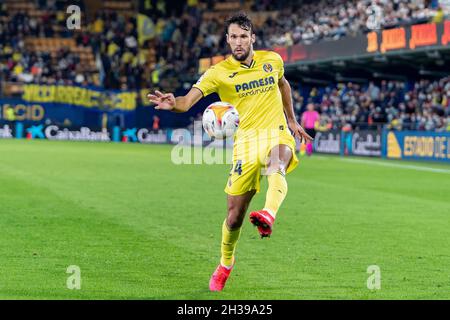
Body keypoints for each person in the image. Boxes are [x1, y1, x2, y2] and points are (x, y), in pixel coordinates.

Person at [148, 13, 312, 292]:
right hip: (245, 143)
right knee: (234, 216)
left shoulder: (272, 60)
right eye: (233, 37)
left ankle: (268, 215)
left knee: (277, 165)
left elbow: (283, 84)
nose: (238, 42)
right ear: (227, 39)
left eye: (243, 36)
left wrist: (292, 120)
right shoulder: (217, 73)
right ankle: (225, 263)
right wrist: (173, 102)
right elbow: (188, 102)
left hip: (276, 131)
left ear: (252, 38)